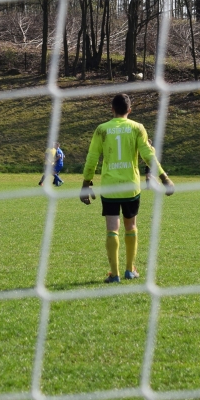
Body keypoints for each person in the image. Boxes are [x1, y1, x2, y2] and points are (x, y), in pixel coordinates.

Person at [80, 93, 175, 283]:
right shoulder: (137, 128)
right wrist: (164, 177)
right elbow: (148, 155)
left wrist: (86, 182)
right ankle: (130, 270)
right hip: (131, 186)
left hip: (110, 187)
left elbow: (92, 158)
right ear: (129, 110)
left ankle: (114, 274)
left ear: (112, 109)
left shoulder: (102, 129)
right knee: (131, 226)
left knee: (112, 229)